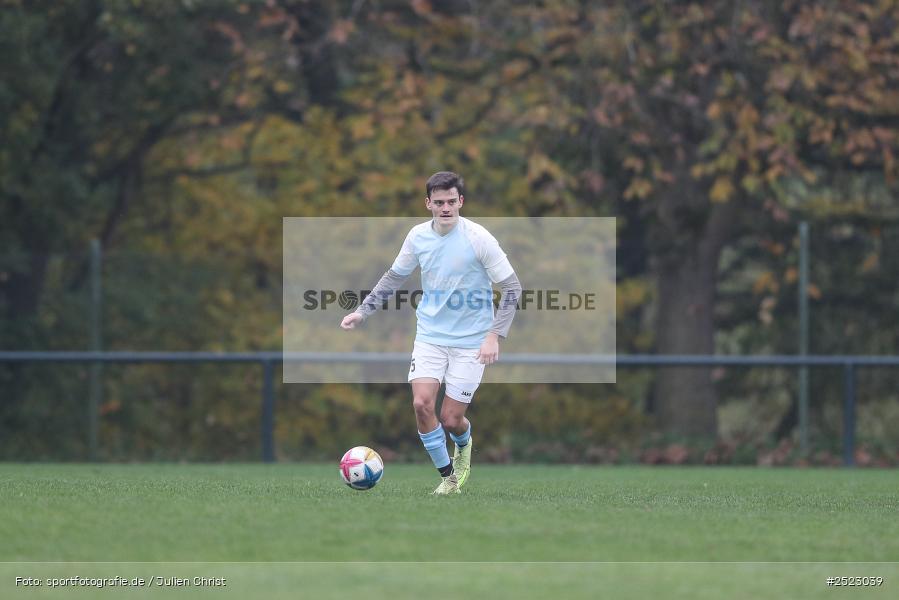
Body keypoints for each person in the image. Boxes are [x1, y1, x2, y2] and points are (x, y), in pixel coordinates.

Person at [340, 171, 522, 495]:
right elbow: (394, 277)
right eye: (439, 202)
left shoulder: (479, 238)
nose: (446, 208)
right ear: (428, 204)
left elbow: (511, 287)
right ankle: (449, 478)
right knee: (422, 404)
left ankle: (463, 445)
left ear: (461, 202)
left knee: (452, 420)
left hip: (472, 341)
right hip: (430, 337)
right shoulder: (417, 237)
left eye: (452, 201)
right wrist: (363, 310)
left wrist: (495, 335)